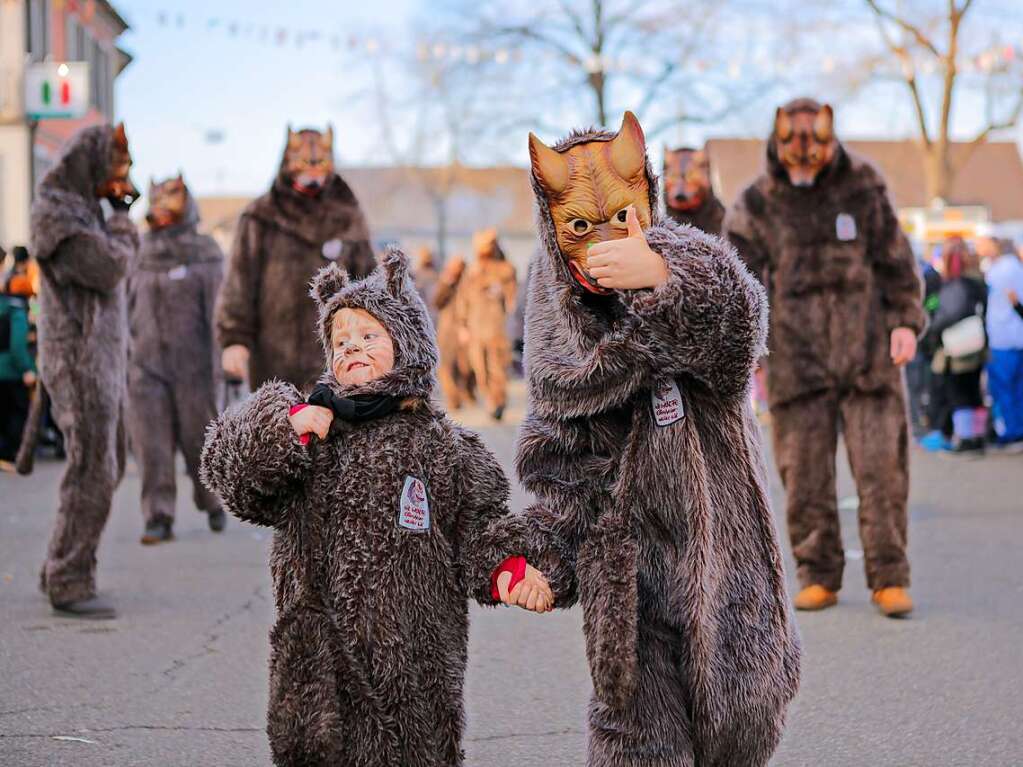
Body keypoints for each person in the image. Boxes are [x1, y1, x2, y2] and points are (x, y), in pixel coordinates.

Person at [502, 112, 799, 767]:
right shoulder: (559, 332)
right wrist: (545, 563)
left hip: (724, 554)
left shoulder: (690, 262)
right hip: (629, 577)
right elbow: (558, 466)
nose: (600, 239)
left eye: (619, 216)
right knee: (637, 739)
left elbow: (739, 331)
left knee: (743, 721)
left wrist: (663, 273)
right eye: (578, 225)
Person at [200, 249, 552, 767]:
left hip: (413, 667)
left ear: (407, 346)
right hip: (318, 668)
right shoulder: (313, 428)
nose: (352, 349)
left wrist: (506, 570)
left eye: (369, 336)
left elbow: (483, 528)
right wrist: (282, 429)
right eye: (340, 341)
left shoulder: (443, 448)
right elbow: (230, 471)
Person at [725, 98, 926, 618]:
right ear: (776, 141)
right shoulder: (757, 201)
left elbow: (896, 260)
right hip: (796, 361)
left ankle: (889, 576)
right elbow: (737, 279)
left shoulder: (863, 184)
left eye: (815, 143)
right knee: (805, 475)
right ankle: (818, 574)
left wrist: (905, 320)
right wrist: (743, 348)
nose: (804, 155)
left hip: (868, 358)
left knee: (883, 472)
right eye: (792, 144)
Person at [28, 123, 140, 619]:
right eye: (119, 168)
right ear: (92, 161)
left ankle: (58, 561)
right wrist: (123, 221)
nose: (125, 178)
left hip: (102, 360)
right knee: (94, 465)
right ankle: (69, 579)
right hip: (78, 359)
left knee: (107, 459)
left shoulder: (83, 210)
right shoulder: (57, 213)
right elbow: (108, 269)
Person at [216, 125, 376, 391]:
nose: (312, 170)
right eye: (304, 162)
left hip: (340, 355)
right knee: (279, 427)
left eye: (320, 162)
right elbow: (239, 284)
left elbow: (370, 281)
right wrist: (234, 339)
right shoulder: (260, 216)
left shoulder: (348, 215)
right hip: (273, 359)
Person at [127, 175, 226, 544]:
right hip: (145, 366)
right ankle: (158, 515)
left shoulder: (204, 251)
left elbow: (218, 312)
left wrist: (221, 362)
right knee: (151, 445)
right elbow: (123, 305)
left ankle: (212, 500)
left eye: (172, 195)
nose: (163, 203)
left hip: (194, 368)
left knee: (197, 441)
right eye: (158, 196)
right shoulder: (138, 250)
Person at [919, 238, 988, 453]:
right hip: (976, 343)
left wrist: (931, 328)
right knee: (972, 390)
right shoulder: (978, 281)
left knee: (959, 392)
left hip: (957, 347)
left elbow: (947, 314)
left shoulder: (956, 284)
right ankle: (976, 436)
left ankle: (966, 439)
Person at [460, 229, 517, 420]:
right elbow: (463, 299)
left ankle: (498, 402)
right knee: (480, 370)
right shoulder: (473, 270)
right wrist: (462, 325)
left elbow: (512, 299)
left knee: (497, 369)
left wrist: (502, 291)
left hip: (497, 329)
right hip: (476, 329)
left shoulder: (505, 269)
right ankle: (488, 397)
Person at [978, 236, 1023, 448]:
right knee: (1017, 388)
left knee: (1005, 388)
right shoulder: (1015, 268)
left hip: (1002, 339)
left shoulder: (999, 271)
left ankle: (1012, 432)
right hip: (1014, 338)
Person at [434, 254, 475, 410]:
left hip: (465, 330)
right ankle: (454, 398)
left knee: (465, 367)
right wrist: (446, 283)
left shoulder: (468, 285)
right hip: (447, 331)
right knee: (446, 366)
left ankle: (467, 393)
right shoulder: (446, 283)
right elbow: (437, 302)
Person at [0, 289, 35, 471]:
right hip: (11, 373)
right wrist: (28, 368)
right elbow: (17, 345)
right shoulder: (15, 310)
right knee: (17, 412)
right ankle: (9, 454)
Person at [661, 145, 726, 235]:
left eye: (690, 175)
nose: (681, 184)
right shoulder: (663, 225)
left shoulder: (724, 222)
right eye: (674, 176)